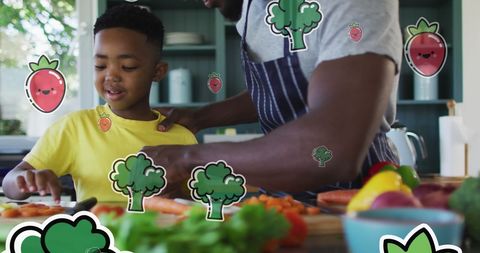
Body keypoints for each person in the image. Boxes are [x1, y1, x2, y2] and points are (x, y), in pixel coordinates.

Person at [143, 0, 402, 196]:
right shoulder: (255, 8)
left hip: (359, 202)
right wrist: (199, 118)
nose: (207, 2)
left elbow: (331, 149)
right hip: (282, 196)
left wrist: (189, 159)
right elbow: (283, 92)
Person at [2, 4, 197, 202]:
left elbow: (199, 202)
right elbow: (10, 183)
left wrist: (181, 194)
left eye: (127, 67)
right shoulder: (76, 127)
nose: (110, 76)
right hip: (95, 232)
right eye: (100, 66)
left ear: (158, 72)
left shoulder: (182, 137)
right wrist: (26, 180)